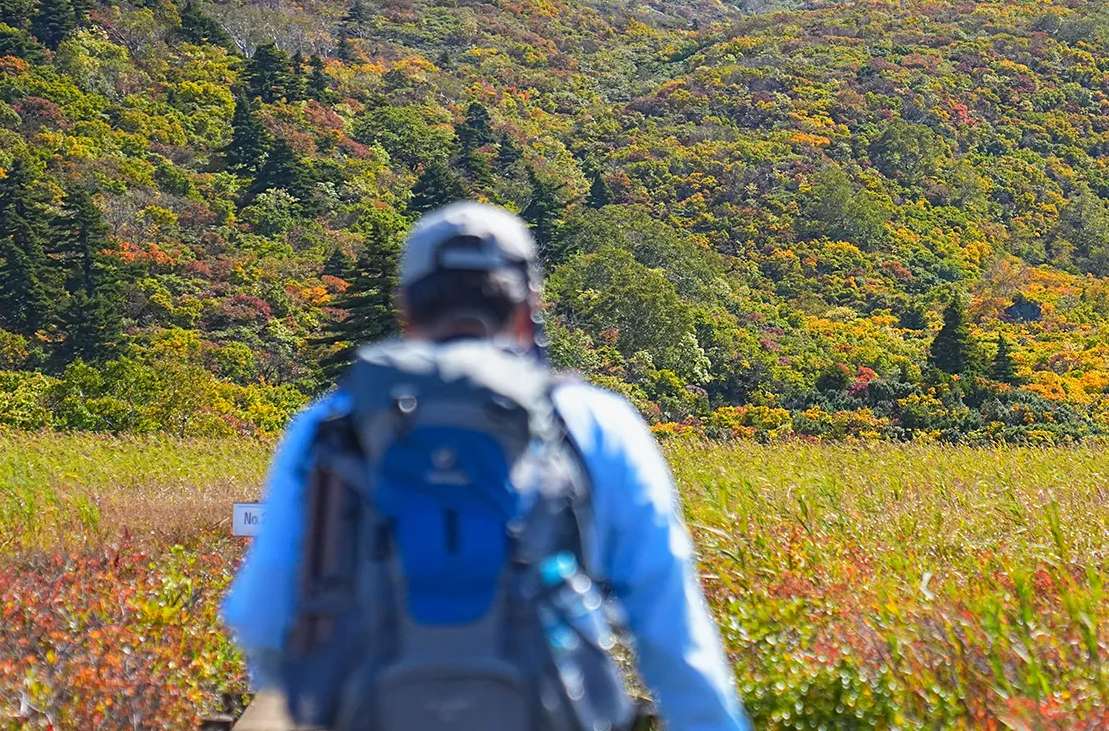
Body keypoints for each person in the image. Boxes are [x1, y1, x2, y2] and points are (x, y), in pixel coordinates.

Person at [223, 202, 749, 731]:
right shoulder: (596, 423)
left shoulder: (330, 425)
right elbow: (674, 635)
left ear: (407, 309)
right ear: (527, 309)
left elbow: (261, 617)